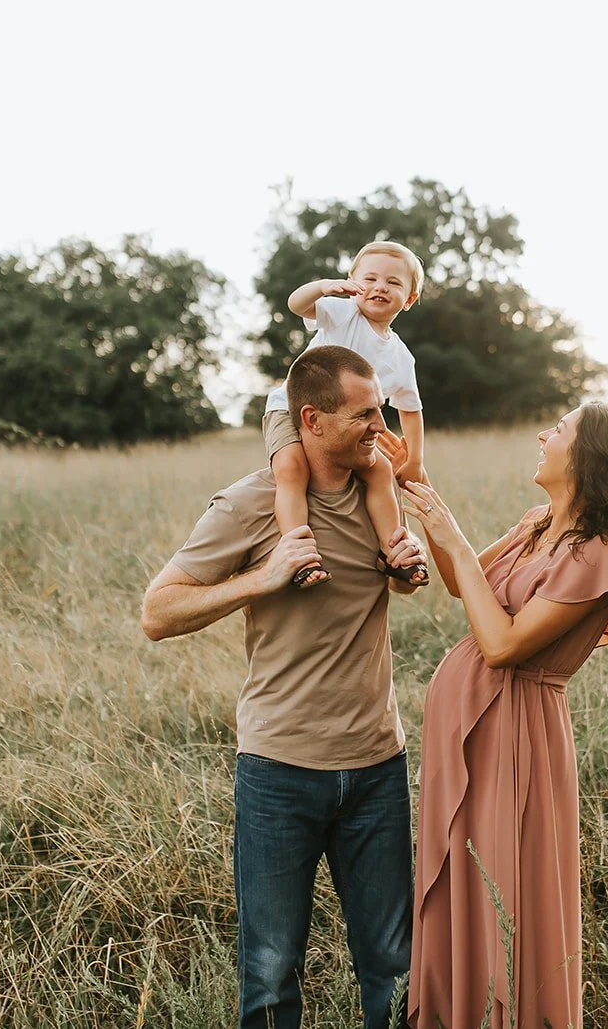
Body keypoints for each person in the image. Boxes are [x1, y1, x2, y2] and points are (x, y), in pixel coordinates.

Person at [139, 345, 427, 1029]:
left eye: (381, 407)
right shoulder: (250, 505)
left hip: (377, 768)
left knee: (395, 964)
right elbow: (157, 611)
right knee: (270, 970)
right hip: (277, 772)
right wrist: (263, 577)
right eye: (362, 413)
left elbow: (388, 581)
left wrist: (404, 568)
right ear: (311, 420)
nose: (379, 424)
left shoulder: (378, 492)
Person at [396, 403, 608, 1029]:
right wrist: (419, 484)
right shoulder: (539, 524)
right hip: (471, 727)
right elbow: (465, 584)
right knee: (465, 869)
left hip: (516, 734)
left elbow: (503, 644)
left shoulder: (594, 556)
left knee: (502, 878)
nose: (544, 435)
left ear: (589, 457)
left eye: (559, 430)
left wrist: (453, 535)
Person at [261, 240, 429, 590]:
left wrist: (414, 459)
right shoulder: (343, 313)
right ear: (353, 285)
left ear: (410, 299)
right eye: (369, 279)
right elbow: (296, 305)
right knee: (292, 469)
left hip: (348, 429)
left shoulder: (401, 357)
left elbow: (411, 410)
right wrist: (322, 287)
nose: (379, 287)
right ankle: (299, 556)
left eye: (394, 282)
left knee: (381, 471)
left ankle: (394, 551)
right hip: (290, 408)